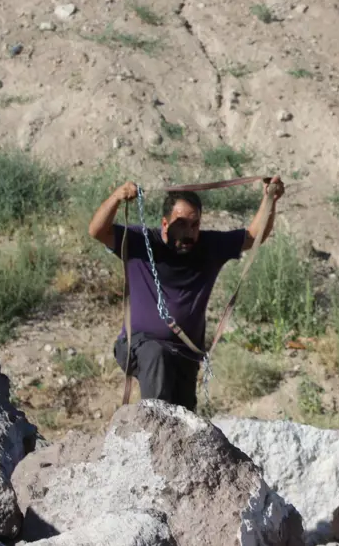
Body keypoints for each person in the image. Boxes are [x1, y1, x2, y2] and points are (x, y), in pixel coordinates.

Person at [87, 176, 285, 411]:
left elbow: (254, 235)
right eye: (181, 224)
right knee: (157, 359)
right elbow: (97, 231)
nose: (189, 233)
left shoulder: (209, 246)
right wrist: (117, 198)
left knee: (184, 418)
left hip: (185, 354)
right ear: (164, 223)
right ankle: (152, 431)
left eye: (194, 225)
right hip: (139, 345)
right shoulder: (141, 242)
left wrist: (270, 199)